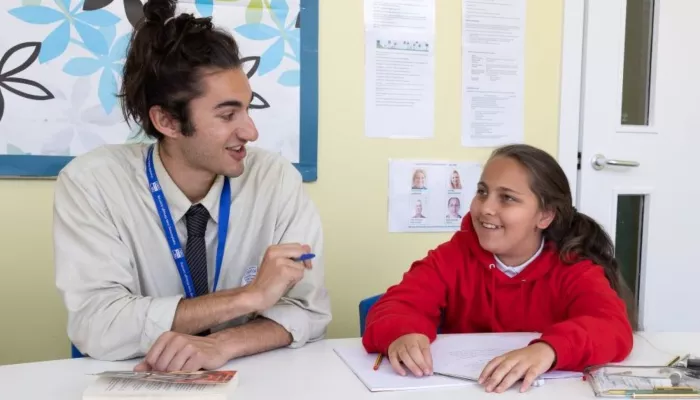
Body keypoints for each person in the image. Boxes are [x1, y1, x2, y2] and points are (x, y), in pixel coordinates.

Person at [53, 0, 331, 372]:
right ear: (167, 121)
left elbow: (309, 311)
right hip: (141, 383)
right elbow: (97, 325)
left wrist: (222, 343)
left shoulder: (275, 179)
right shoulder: (92, 184)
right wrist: (247, 297)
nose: (250, 132)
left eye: (248, 109)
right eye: (228, 115)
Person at [362, 144, 635, 393]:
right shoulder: (453, 256)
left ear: (545, 215)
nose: (486, 208)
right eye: (482, 192)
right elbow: (396, 305)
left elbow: (611, 327)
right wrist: (403, 332)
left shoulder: (573, 267)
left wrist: (548, 350)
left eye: (507, 198)